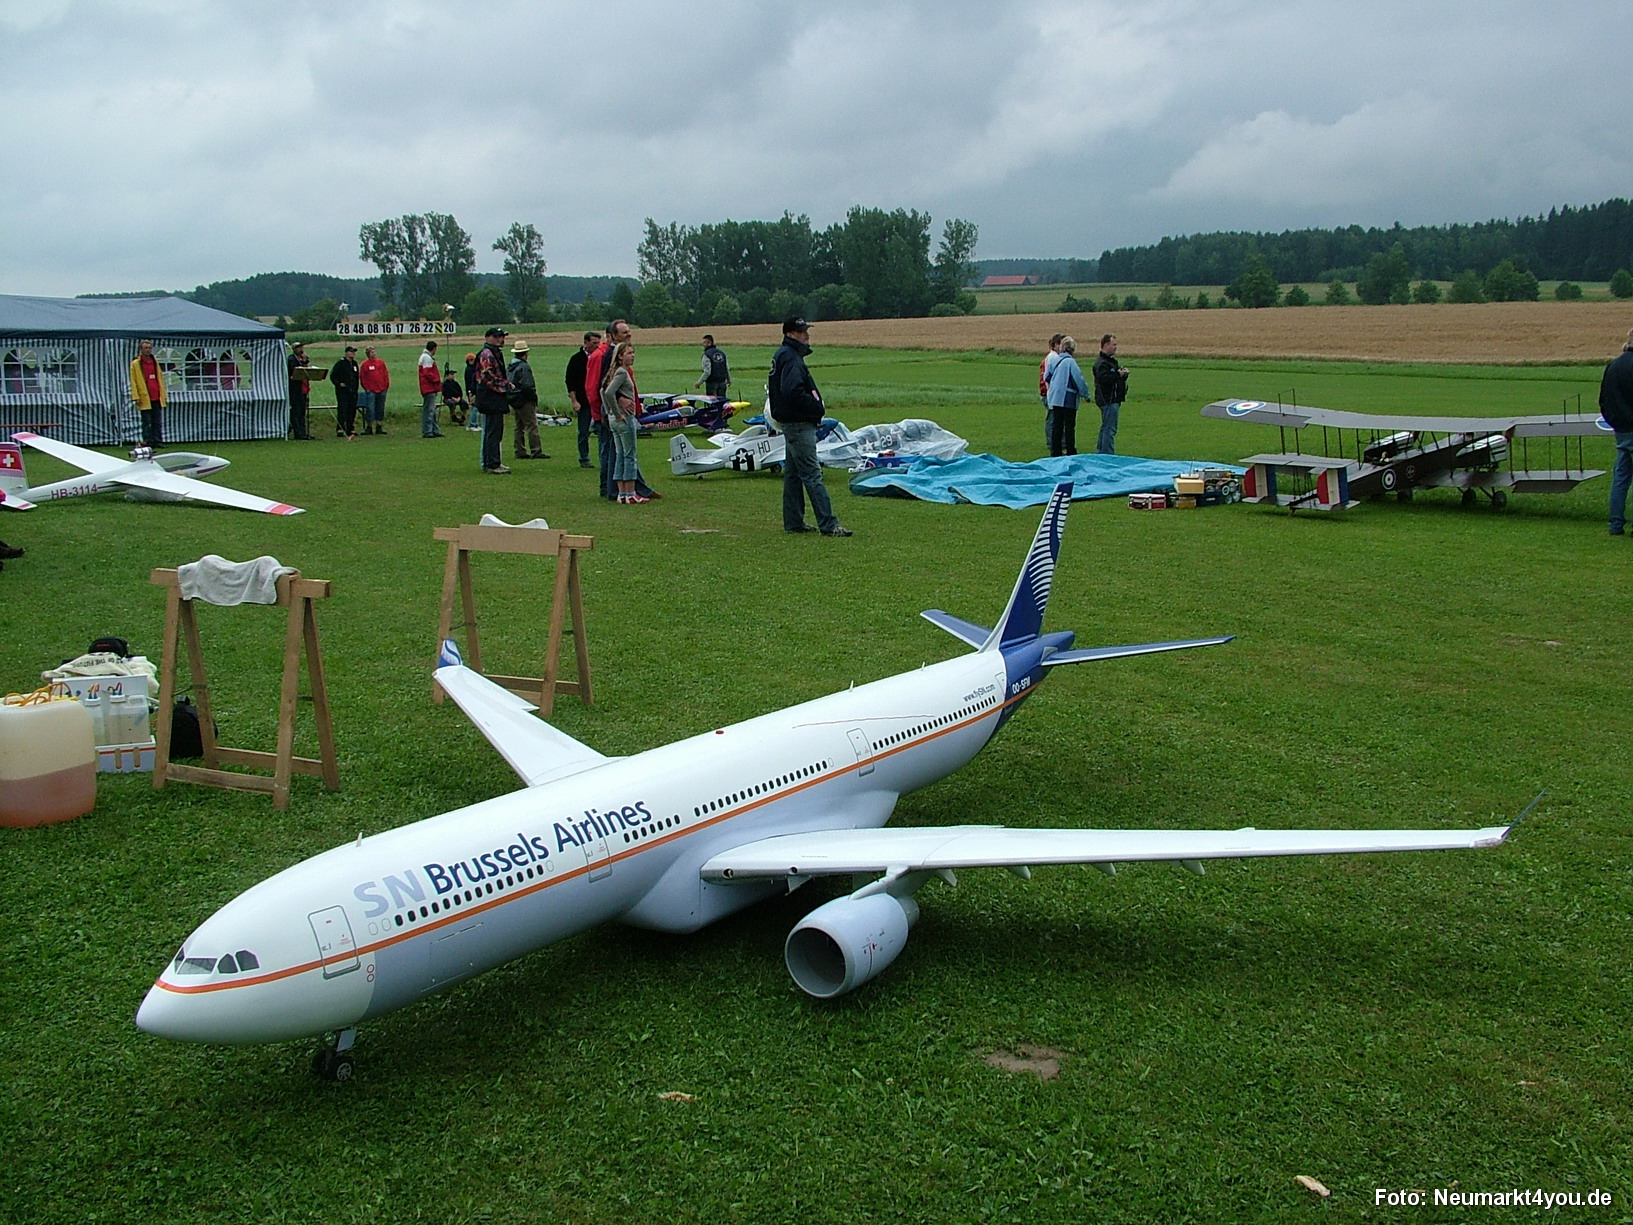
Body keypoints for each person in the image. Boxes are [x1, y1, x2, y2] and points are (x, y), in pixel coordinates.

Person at [769, 317, 850, 536]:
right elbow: (792, 391)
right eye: (801, 331)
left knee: (794, 475)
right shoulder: (791, 358)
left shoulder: (784, 355)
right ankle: (829, 525)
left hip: (791, 423)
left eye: (806, 330)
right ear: (789, 334)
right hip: (798, 423)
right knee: (813, 475)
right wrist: (815, 406)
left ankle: (794, 522)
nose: (806, 335)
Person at [601, 342, 648, 503]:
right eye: (629, 353)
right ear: (620, 356)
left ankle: (622, 494)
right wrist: (615, 412)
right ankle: (630, 493)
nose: (632, 356)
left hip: (614, 420)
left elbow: (602, 390)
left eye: (633, 352)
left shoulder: (613, 372)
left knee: (620, 455)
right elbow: (608, 392)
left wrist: (609, 413)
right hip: (624, 418)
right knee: (630, 455)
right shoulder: (622, 372)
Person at [1601, 327, 1633, 536]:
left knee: (1621, 477)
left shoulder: (1613, 366)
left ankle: (1615, 523)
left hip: (1622, 429)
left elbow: (1604, 400)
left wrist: (1616, 423)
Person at [472, 326, 514, 474]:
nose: (500, 339)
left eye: (502, 336)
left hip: (494, 397)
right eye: (497, 336)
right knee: (492, 431)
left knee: (496, 431)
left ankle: (494, 461)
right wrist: (506, 385)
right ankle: (491, 464)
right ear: (488, 337)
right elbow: (487, 377)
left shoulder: (494, 353)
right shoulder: (487, 354)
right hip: (490, 398)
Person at [1044, 336, 1089, 457]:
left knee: (1057, 425)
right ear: (1072, 350)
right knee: (1069, 426)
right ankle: (1070, 451)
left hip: (1055, 398)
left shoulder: (1055, 361)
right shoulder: (1070, 362)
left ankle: (1055, 451)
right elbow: (1078, 380)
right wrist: (1086, 394)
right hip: (1067, 398)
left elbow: (1046, 376)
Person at [507, 340, 548, 460]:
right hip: (525, 399)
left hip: (514, 399)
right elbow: (527, 385)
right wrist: (533, 397)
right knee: (531, 425)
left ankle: (519, 450)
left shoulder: (510, 366)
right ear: (525, 353)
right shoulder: (524, 367)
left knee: (519, 426)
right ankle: (536, 450)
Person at [1091, 333, 1129, 455]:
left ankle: (1101, 452)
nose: (1115, 347)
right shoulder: (1102, 364)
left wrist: (1122, 376)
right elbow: (1104, 380)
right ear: (1106, 345)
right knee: (1109, 429)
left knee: (1105, 427)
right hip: (1108, 400)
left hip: (1111, 399)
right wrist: (1118, 375)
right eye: (1114, 345)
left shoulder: (1110, 362)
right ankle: (1108, 454)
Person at [565, 331, 599, 468]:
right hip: (583, 401)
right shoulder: (576, 359)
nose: (597, 346)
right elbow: (570, 382)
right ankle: (584, 458)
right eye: (593, 343)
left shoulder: (600, 358)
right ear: (586, 342)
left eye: (598, 343)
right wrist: (574, 401)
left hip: (598, 400)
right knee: (584, 431)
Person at [130, 338, 167, 448]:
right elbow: (133, 381)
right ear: (141, 349)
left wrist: (163, 395)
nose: (148, 350)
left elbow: (160, 378)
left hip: (156, 395)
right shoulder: (136, 364)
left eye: (149, 348)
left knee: (157, 420)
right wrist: (135, 396)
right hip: (144, 396)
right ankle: (148, 441)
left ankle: (157, 440)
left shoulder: (155, 362)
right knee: (147, 422)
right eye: (145, 348)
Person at [1039, 333, 1064, 452]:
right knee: (1052, 419)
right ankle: (1052, 442)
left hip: (1048, 392)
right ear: (1055, 345)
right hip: (1050, 393)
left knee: (1055, 418)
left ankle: (1056, 441)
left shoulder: (1051, 357)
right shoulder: (1054, 358)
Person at [330, 345, 361, 440]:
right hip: (343, 391)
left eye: (354, 352)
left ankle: (350, 428)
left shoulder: (355, 364)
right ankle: (340, 428)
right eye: (351, 352)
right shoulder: (340, 363)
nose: (353, 353)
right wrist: (339, 383)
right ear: (347, 353)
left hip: (353, 391)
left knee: (351, 410)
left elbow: (356, 377)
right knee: (343, 409)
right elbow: (333, 376)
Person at [287, 341, 315, 440]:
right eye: (299, 348)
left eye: (301, 347)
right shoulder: (291, 359)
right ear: (294, 349)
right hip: (295, 390)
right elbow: (296, 369)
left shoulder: (302, 359)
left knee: (302, 412)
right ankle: (297, 432)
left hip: (304, 389)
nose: (301, 349)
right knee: (296, 412)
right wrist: (304, 362)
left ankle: (303, 432)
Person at [417, 340, 445, 438]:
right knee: (429, 410)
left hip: (428, 387)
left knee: (431, 410)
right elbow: (427, 373)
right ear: (434, 348)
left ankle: (434, 430)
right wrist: (437, 380)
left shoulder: (425, 357)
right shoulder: (427, 358)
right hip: (429, 387)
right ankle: (428, 431)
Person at [360, 347, 390, 434]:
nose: (374, 354)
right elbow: (363, 378)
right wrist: (367, 388)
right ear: (368, 354)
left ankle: (379, 426)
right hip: (371, 390)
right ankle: (369, 426)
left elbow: (385, 374)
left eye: (374, 352)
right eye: (372, 352)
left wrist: (386, 386)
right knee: (370, 409)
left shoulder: (381, 363)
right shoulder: (365, 365)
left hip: (381, 389)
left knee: (380, 408)